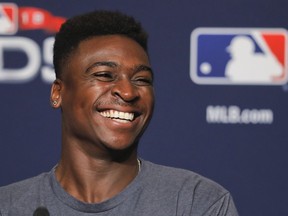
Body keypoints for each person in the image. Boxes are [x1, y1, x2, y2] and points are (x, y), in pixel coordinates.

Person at [0, 10, 239, 215]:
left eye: (142, 79)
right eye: (104, 75)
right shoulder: (9, 207)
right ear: (57, 93)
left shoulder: (197, 203)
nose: (127, 91)